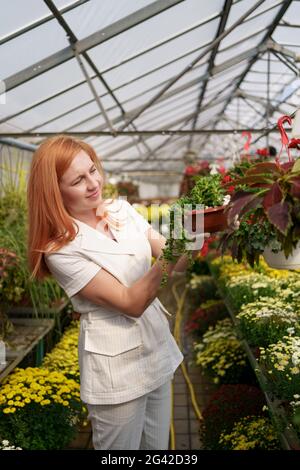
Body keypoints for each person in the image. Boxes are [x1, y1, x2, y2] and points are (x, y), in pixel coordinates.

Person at [27, 135, 202, 450]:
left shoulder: (121, 209)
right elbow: (130, 302)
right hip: (115, 369)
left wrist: (196, 231)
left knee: (157, 449)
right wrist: (175, 248)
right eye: (78, 180)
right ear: (54, 191)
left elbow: (179, 264)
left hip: (156, 348)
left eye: (93, 170)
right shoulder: (60, 250)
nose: (94, 183)